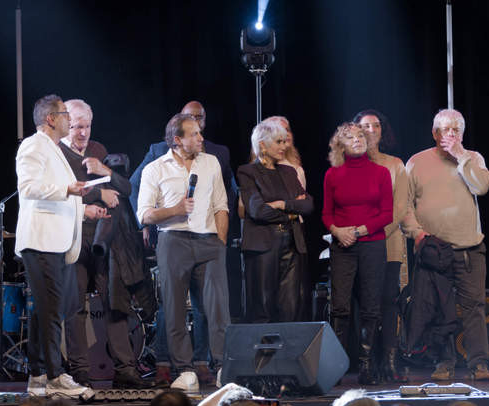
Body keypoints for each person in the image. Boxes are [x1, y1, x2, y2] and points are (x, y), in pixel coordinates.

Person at [130, 100, 236, 386]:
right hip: (173, 240)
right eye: (194, 134)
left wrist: (221, 241)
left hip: (209, 241)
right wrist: (174, 210)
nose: (201, 136)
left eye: (200, 132)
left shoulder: (211, 162)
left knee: (217, 307)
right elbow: (144, 213)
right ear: (177, 140)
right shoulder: (155, 169)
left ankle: (223, 365)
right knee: (175, 307)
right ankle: (184, 370)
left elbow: (221, 205)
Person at [59, 99, 152, 388]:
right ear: (65, 125)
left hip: (103, 237)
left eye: (86, 126)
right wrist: (97, 197)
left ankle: (125, 369)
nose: (82, 133)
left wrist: (105, 170)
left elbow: (125, 189)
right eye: (76, 127)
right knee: (75, 306)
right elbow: (58, 194)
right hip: (73, 234)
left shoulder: (98, 151)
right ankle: (79, 371)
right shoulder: (57, 154)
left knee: (115, 301)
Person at [16, 94, 98, 399]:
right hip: (41, 240)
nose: (70, 119)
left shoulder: (54, 149)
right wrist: (67, 188)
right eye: (65, 114)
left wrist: (82, 205)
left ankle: (37, 375)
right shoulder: (33, 145)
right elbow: (28, 187)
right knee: (52, 311)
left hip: (55, 241)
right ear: (51, 118)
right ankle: (54, 376)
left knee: (45, 311)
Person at [401, 109, 489, 381]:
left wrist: (461, 156)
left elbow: (482, 187)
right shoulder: (416, 162)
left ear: (462, 134)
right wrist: (417, 234)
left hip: (469, 248)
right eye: (444, 129)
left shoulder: (473, 158)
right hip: (433, 250)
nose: (449, 134)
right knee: (439, 310)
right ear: (434, 133)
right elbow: (404, 205)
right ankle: (443, 362)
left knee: (474, 307)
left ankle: (479, 363)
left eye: (455, 130)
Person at [322, 122, 393, 385]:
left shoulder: (381, 173)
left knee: (371, 306)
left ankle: (365, 366)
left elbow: (387, 213)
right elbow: (326, 213)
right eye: (350, 137)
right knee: (340, 307)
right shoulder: (333, 175)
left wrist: (362, 230)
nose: (357, 140)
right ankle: (338, 366)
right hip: (343, 246)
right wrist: (338, 232)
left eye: (360, 136)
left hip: (372, 244)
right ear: (341, 145)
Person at [237, 119, 313, 323]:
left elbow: (308, 205)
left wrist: (280, 204)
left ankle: (287, 354)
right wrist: (291, 210)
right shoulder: (247, 172)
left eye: (285, 141)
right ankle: (264, 354)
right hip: (263, 246)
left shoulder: (288, 171)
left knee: (290, 306)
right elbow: (258, 211)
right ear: (262, 144)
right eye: (279, 142)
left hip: (292, 245)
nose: (284, 146)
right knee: (263, 307)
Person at [354, 109, 409, 381]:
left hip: (387, 245)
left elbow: (399, 209)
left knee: (389, 304)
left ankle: (389, 364)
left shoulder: (396, 164)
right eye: (366, 126)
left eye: (376, 125)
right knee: (366, 305)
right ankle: (366, 365)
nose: (372, 130)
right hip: (359, 248)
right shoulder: (348, 164)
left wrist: (373, 233)